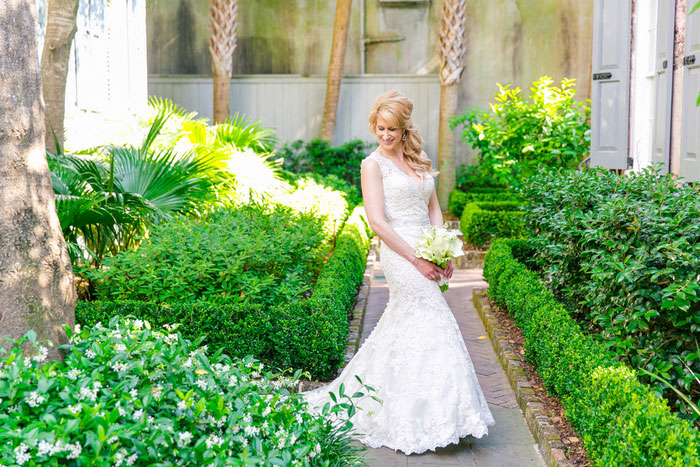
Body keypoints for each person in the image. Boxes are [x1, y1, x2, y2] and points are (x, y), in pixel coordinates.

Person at [305, 90, 494, 455]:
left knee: (408, 323)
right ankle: (422, 418)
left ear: (405, 128)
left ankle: (423, 408)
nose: (386, 135)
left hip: (426, 243)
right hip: (399, 250)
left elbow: (434, 207)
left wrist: (443, 246)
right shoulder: (372, 165)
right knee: (429, 313)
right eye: (380, 128)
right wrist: (417, 258)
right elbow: (377, 222)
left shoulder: (420, 157)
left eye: (392, 129)